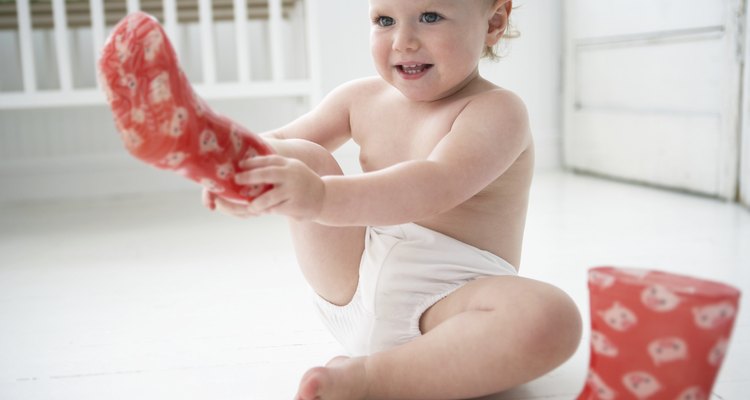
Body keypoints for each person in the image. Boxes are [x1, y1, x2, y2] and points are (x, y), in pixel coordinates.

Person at [203, 0, 582, 398]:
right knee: (302, 155)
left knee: (550, 317)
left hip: (451, 303)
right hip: (350, 283)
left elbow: (434, 185)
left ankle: (375, 379)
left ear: (494, 22)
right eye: (385, 20)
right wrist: (231, 170)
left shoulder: (497, 112)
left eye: (430, 17)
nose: (403, 42)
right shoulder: (359, 98)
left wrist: (320, 197)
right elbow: (275, 143)